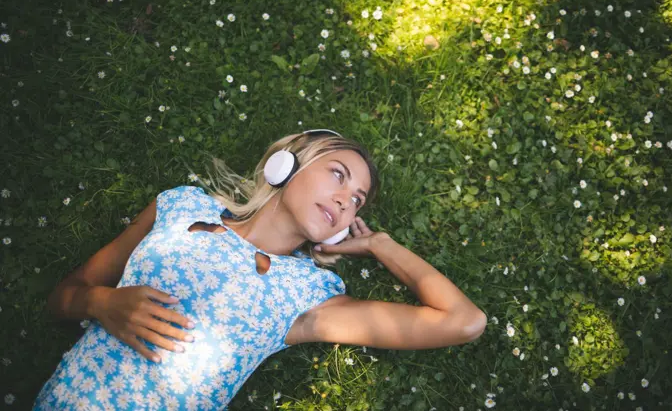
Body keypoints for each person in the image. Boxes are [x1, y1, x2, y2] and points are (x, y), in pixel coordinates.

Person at [33, 129, 487, 410]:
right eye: (338, 174)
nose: (346, 199)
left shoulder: (306, 295)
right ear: (286, 164)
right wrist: (100, 302)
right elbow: (63, 296)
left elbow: (463, 321)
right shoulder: (180, 206)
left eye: (358, 201)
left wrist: (382, 245)